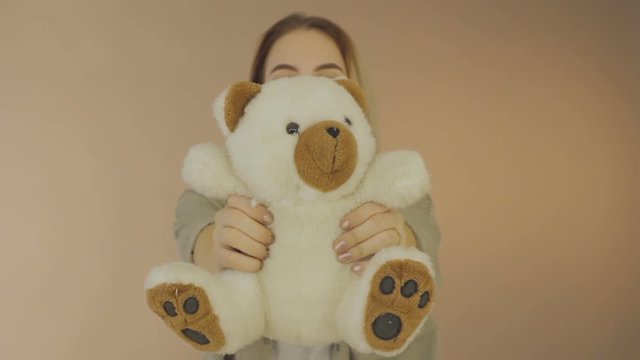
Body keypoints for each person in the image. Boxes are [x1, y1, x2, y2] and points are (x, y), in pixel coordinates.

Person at [174, 13, 442, 360]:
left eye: (329, 78)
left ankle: (381, 317)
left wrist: (398, 243)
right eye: (285, 79)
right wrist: (216, 247)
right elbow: (193, 221)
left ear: (354, 98)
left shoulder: (388, 189)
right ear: (254, 98)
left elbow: (422, 237)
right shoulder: (227, 190)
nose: (309, 93)